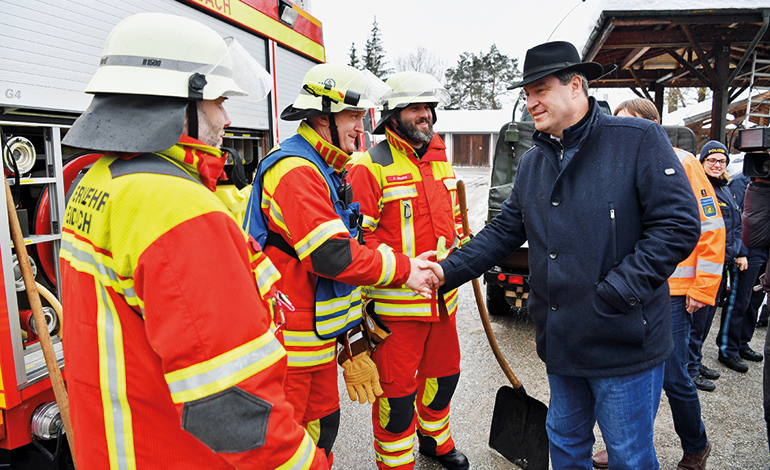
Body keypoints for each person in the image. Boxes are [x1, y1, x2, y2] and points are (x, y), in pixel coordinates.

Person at [58, 12, 328, 470]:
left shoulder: (100, 179)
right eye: (218, 100)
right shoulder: (176, 207)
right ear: (176, 101)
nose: (226, 117)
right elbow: (234, 408)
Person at [428, 41, 701, 469]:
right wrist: (446, 271)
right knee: (566, 447)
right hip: (563, 341)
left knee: (628, 456)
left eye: (540, 90)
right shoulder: (535, 162)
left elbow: (678, 225)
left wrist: (619, 289)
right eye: (527, 94)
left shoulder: (637, 140)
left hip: (622, 339)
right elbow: (504, 231)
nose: (531, 102)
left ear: (576, 86)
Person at [242, 63, 437, 465]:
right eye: (353, 116)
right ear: (322, 115)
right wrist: (405, 269)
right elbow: (332, 256)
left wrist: (352, 342)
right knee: (288, 445)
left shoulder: (326, 168)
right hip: (288, 347)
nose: (361, 127)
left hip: (314, 342)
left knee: (324, 428)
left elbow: (337, 273)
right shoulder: (295, 170)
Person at [592, 99, 725, 470]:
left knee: (672, 374)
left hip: (675, 292)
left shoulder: (684, 163)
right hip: (638, 287)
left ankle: (696, 445)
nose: (617, 132)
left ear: (652, 127)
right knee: (632, 375)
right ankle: (626, 445)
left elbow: (712, 229)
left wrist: (702, 289)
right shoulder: (617, 164)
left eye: (628, 124)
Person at [348, 72, 469, 470]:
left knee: (443, 382)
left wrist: (466, 250)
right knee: (396, 402)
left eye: (429, 107)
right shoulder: (370, 166)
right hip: (395, 313)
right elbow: (355, 240)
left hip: (443, 304)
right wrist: (403, 271)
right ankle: (397, 464)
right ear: (392, 115)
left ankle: (436, 441)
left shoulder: (440, 158)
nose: (426, 115)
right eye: (416, 108)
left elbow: (451, 222)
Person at [718, 170, 766, 366]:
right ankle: (728, 349)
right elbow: (737, 220)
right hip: (748, 252)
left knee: (755, 300)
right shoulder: (742, 182)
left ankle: (742, 343)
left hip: (764, 251)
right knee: (739, 301)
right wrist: (741, 252)